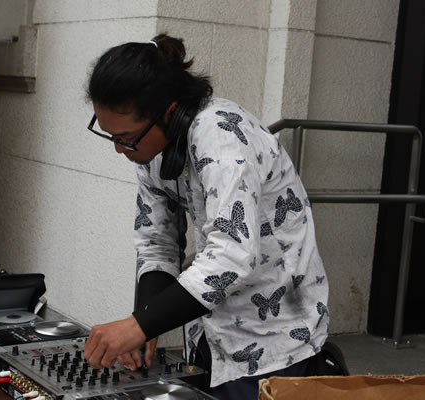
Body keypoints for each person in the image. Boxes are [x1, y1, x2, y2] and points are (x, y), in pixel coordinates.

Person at [83, 33, 329, 400]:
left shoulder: (223, 136)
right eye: (113, 137)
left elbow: (230, 255)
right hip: (210, 331)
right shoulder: (151, 151)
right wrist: (147, 321)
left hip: (275, 339)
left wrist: (137, 326)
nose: (120, 149)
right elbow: (156, 243)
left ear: (169, 113)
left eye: (127, 137)